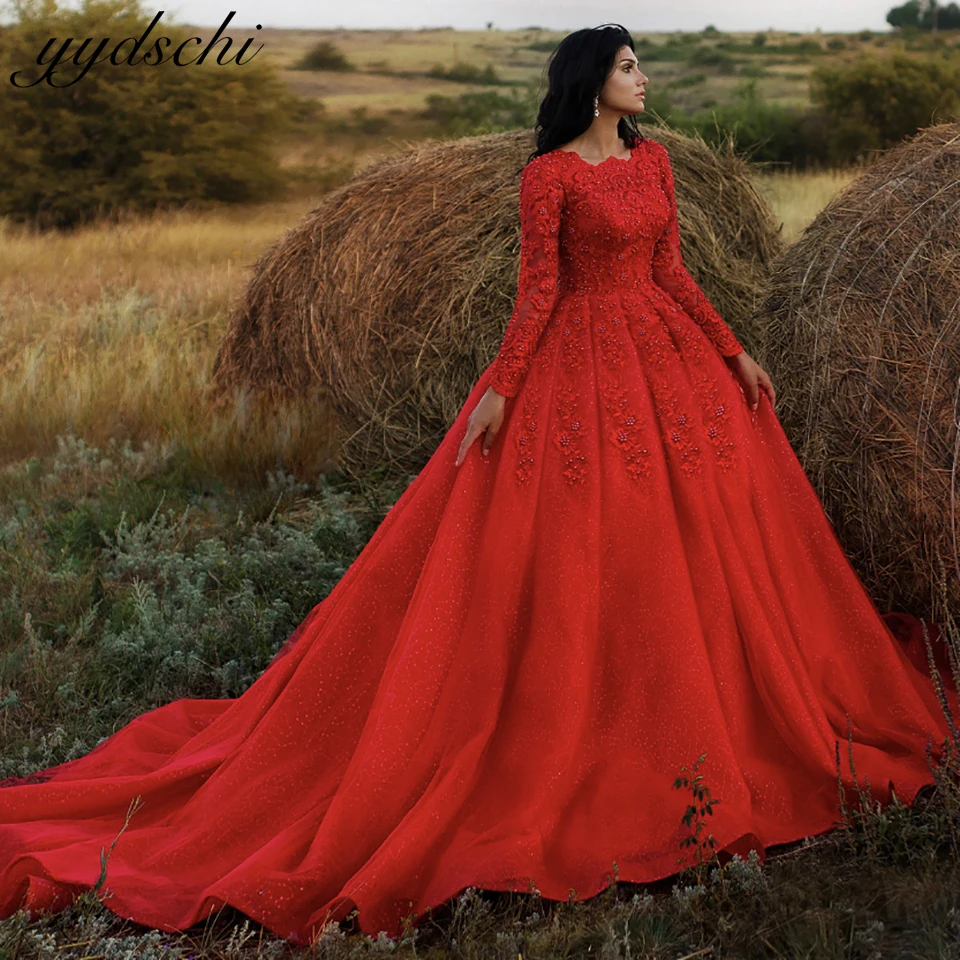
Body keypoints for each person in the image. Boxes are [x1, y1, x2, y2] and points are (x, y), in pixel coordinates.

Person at [0, 23, 956, 948]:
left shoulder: (656, 163)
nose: (644, 79)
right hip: (577, 368)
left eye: (643, 66)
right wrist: (500, 392)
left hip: (666, 364)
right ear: (590, 82)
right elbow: (537, 291)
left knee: (695, 536)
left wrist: (734, 350)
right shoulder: (546, 179)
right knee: (585, 540)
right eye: (630, 67)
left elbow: (673, 270)